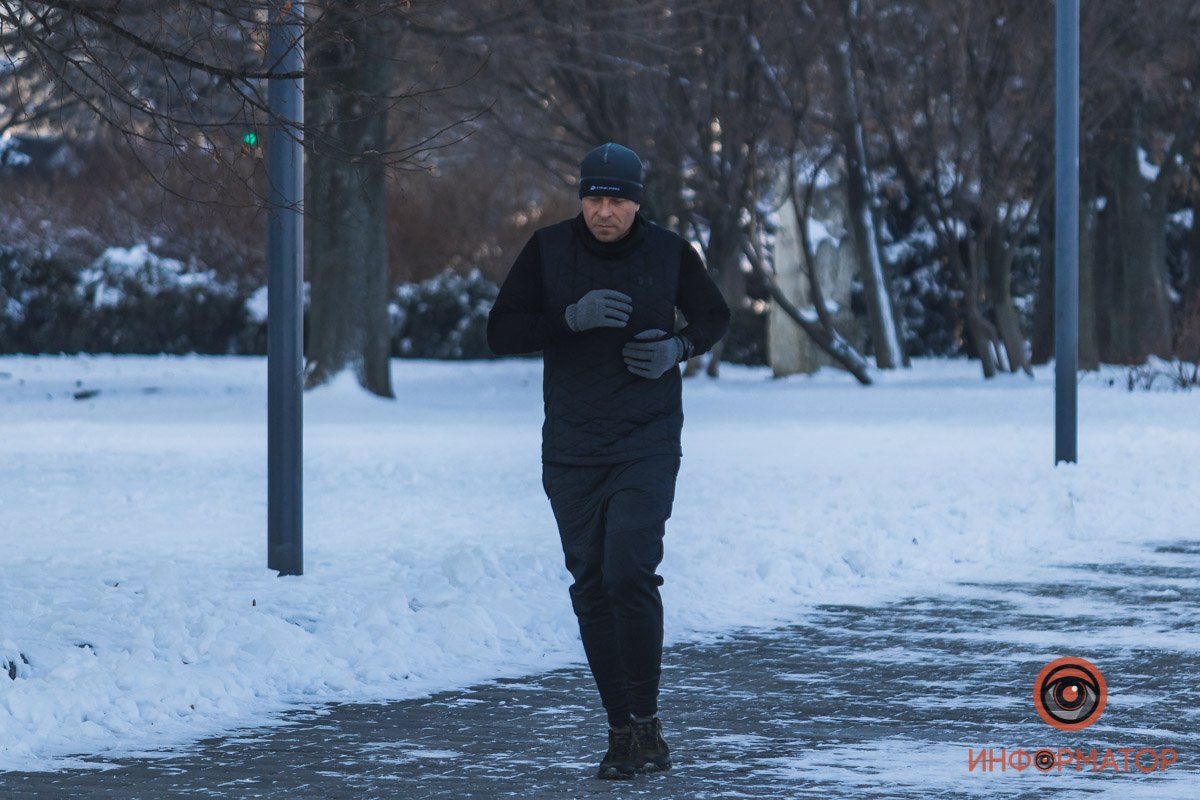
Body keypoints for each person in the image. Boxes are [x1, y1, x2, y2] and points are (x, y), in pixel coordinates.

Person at [487, 142, 731, 780]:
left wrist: (678, 346)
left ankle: (647, 720)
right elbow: (500, 330)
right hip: (571, 450)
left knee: (628, 570)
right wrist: (567, 319)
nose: (604, 210)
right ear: (581, 200)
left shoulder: (670, 252)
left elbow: (715, 315)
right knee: (592, 586)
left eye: (617, 199)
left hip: (647, 440)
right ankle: (622, 731)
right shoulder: (547, 250)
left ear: (636, 202)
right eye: (593, 198)